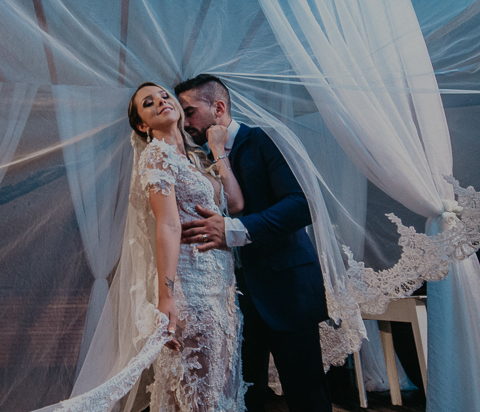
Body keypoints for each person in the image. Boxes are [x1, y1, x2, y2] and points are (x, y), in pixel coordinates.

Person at [173, 74, 330, 412]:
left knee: (306, 394)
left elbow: (301, 205)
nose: (184, 123)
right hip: (233, 299)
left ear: (218, 108)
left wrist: (234, 230)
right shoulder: (198, 158)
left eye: (190, 112)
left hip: (287, 288)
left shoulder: (264, 140)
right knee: (245, 398)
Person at [126, 82, 248, 412]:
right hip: (191, 286)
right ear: (142, 125)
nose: (160, 101)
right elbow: (167, 225)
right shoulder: (157, 156)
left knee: (219, 389)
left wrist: (217, 149)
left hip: (221, 287)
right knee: (199, 395)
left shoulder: (196, 158)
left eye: (164, 95)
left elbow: (235, 204)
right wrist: (166, 297)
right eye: (148, 103)